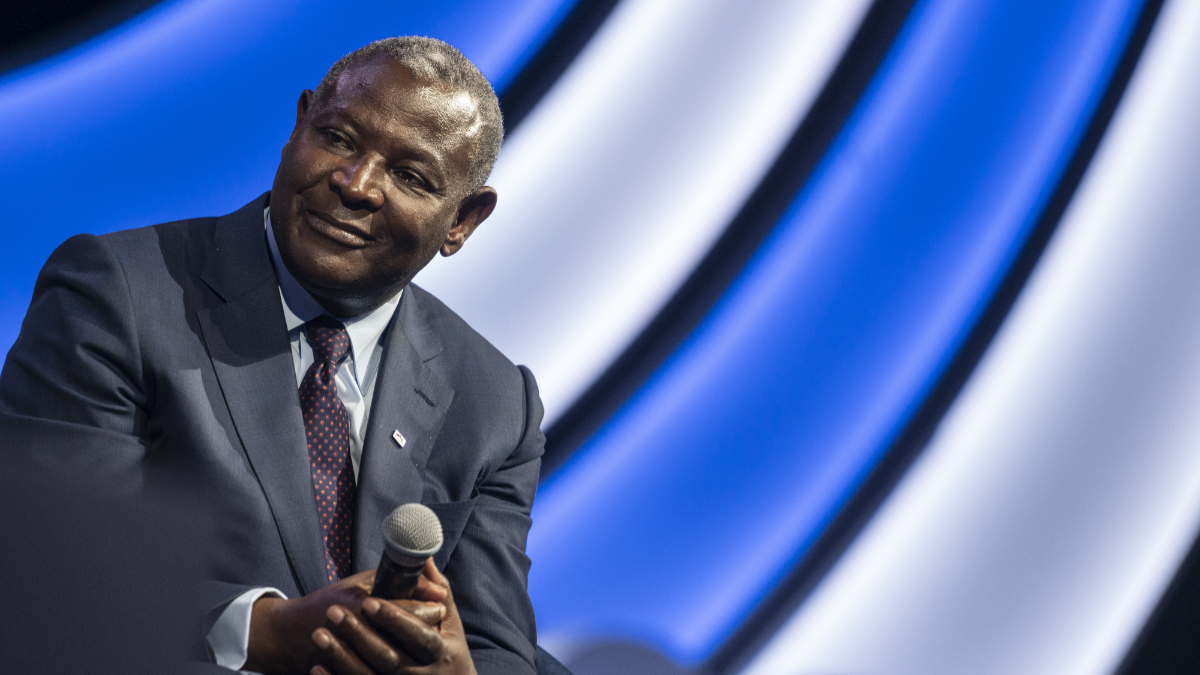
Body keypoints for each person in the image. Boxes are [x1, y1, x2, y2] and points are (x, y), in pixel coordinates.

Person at [0, 37, 549, 675]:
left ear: (463, 221)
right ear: (298, 126)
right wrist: (262, 632)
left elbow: (499, 649)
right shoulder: (117, 295)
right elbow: (53, 574)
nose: (356, 185)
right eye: (338, 138)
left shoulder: (497, 402)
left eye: (410, 177)